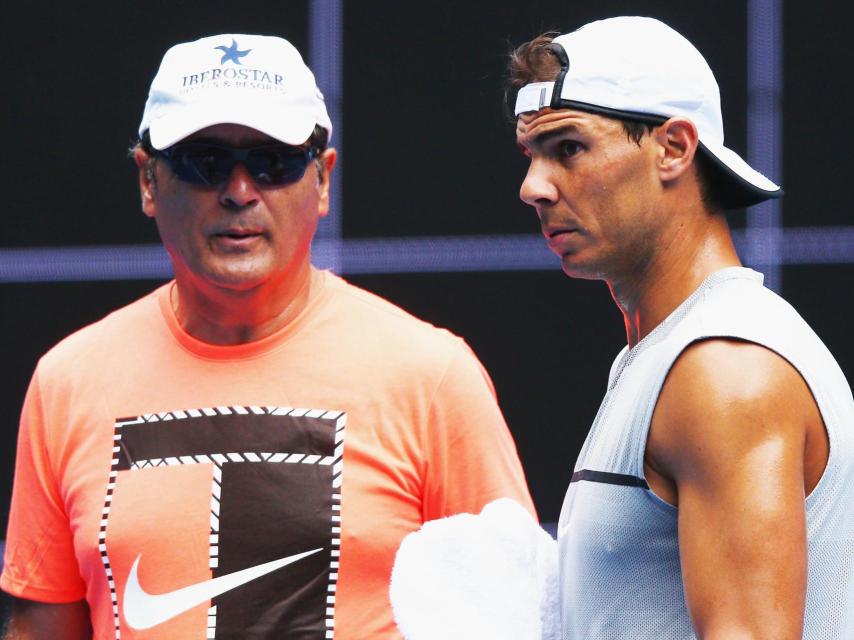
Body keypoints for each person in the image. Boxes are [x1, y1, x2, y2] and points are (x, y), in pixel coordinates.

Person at [1, 33, 534, 639]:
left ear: (324, 179)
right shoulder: (67, 382)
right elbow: (42, 628)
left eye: (272, 162)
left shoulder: (432, 376)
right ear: (149, 181)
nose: (240, 191)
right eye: (204, 163)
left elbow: (511, 619)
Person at [506, 16, 854, 639]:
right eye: (531, 154)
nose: (533, 186)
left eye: (568, 148)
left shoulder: (724, 366)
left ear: (673, 148)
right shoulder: (668, 355)